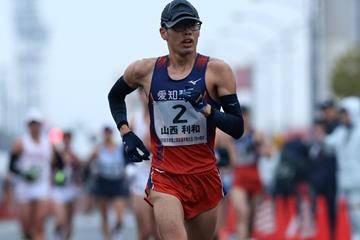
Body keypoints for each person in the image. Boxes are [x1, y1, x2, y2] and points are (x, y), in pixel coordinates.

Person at [107, 0, 244, 239]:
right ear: (164, 32)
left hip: (205, 176)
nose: (188, 32)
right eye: (180, 27)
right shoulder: (145, 71)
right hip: (165, 176)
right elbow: (115, 95)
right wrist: (125, 132)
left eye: (193, 26)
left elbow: (237, 127)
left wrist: (207, 109)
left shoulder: (217, 71)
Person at [8, 109, 53, 240]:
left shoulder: (48, 143)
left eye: (37, 123)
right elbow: (11, 167)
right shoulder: (20, 143)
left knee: (40, 223)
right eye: (31, 123)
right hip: (24, 186)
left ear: (41, 125)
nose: (34, 126)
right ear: (27, 125)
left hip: (41, 185)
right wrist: (24, 174)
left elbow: (59, 165)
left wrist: (59, 178)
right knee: (26, 225)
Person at [326, 96, 360, 238]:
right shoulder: (342, 133)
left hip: (358, 185)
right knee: (351, 221)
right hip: (346, 185)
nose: (343, 118)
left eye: (346, 114)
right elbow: (327, 144)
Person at [126, 90, 157, 240]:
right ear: (139, 95)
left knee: (159, 232)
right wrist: (128, 167)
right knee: (144, 231)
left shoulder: (162, 118)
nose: (146, 96)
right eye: (143, 92)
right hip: (139, 178)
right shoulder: (134, 119)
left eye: (149, 92)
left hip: (161, 178)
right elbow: (125, 148)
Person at [230, 106, 265, 239]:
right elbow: (229, 158)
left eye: (246, 115)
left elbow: (269, 152)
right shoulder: (230, 135)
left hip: (255, 177)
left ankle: (247, 235)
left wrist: (258, 148)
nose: (244, 118)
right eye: (242, 115)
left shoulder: (257, 134)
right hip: (239, 177)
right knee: (243, 213)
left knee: (251, 218)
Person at [88, 126, 129, 240]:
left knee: (120, 217)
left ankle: (115, 233)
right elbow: (89, 162)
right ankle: (107, 237)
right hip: (103, 182)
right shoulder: (98, 149)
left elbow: (127, 162)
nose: (107, 135)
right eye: (105, 132)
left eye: (109, 132)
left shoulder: (119, 148)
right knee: (104, 214)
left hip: (118, 182)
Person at [51, 131, 82, 240]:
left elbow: (80, 169)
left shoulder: (74, 155)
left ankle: (67, 237)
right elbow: (52, 165)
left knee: (69, 219)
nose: (67, 141)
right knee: (61, 219)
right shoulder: (58, 153)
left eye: (69, 139)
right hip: (59, 189)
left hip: (71, 189)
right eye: (65, 139)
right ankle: (57, 231)